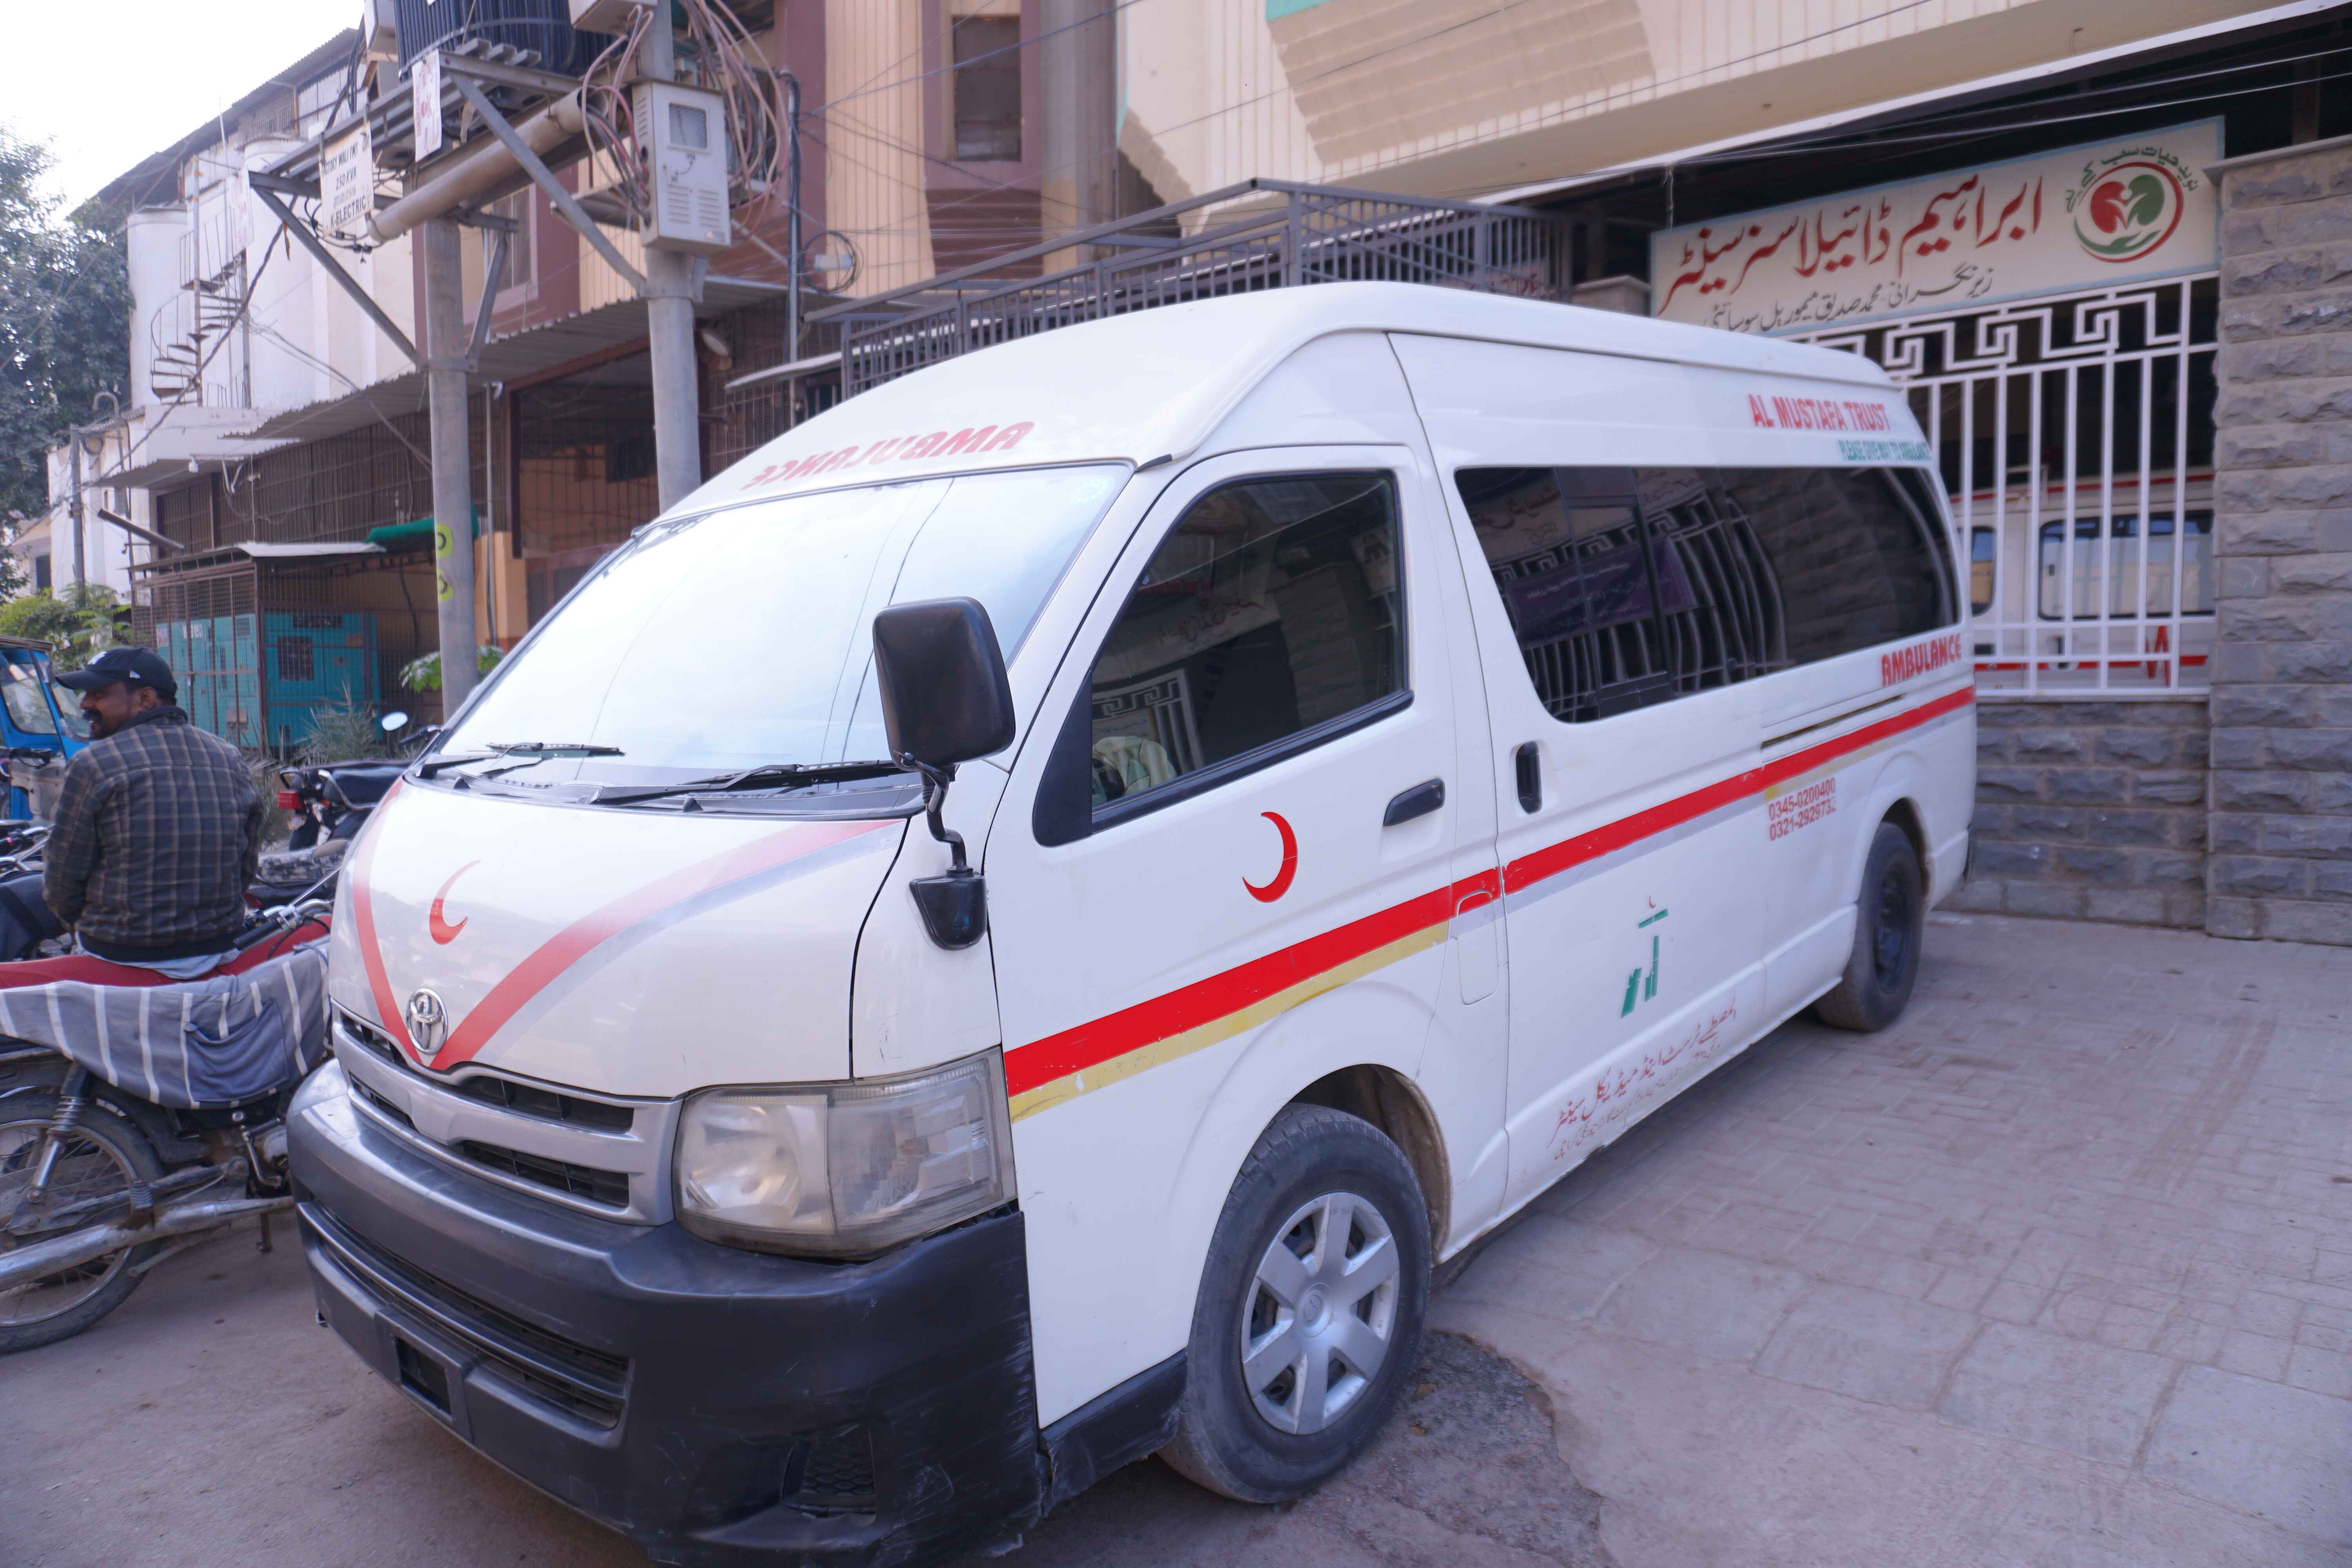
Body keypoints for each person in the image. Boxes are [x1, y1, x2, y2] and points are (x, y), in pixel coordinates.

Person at [19, 648, 270, 980]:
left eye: (99, 694)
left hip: (119, 953)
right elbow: (246, 864)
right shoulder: (229, 756)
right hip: (216, 948)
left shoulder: (94, 763)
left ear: (145, 699)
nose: (85, 704)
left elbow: (62, 881)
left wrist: (85, 927)